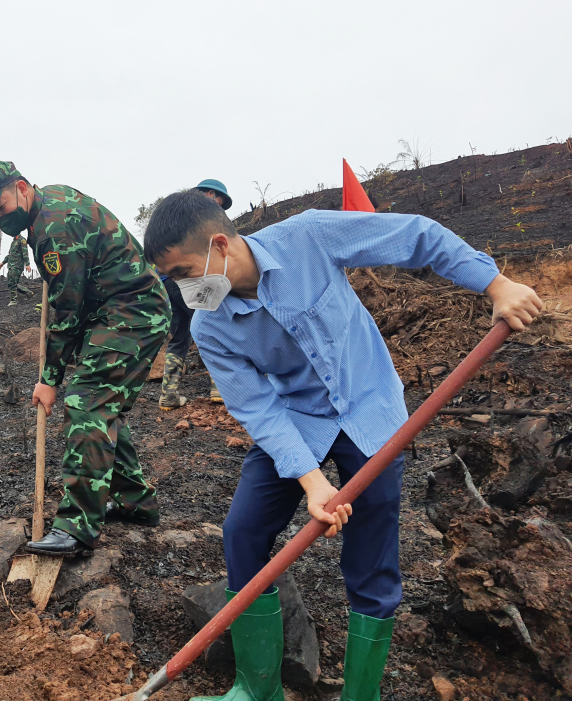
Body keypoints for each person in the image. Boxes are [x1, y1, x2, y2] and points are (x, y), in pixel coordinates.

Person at [142, 190, 542, 701]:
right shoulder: (211, 325)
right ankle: (256, 689)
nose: (183, 288)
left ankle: (361, 695)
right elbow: (258, 409)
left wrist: (496, 283)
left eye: (183, 272)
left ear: (220, 244)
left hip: (368, 409)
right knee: (243, 530)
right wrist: (311, 481)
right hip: (294, 420)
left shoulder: (308, 236)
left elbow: (415, 235)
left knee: (371, 556)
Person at [0, 160, 171, 556]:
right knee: (101, 403)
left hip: (133, 310)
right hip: (112, 311)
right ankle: (135, 501)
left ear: (22, 188)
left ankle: (77, 527)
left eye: (0, 206)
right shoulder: (50, 205)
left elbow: (67, 311)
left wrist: (49, 379)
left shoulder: (53, 229)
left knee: (87, 402)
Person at [159, 179, 232, 410]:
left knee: (179, 338)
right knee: (215, 330)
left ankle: (169, 395)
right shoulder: (203, 216)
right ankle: (218, 389)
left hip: (166, 283)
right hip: (191, 280)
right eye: (219, 202)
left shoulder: (174, 215)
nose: (219, 208)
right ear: (210, 194)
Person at [0, 234, 33, 305]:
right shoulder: (14, 241)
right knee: (11, 283)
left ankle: (14, 300)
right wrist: (3, 262)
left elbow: (25, 253)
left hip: (17, 265)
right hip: (11, 265)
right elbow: (10, 254)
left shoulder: (22, 240)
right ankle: (28, 293)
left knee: (12, 283)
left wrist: (28, 264)